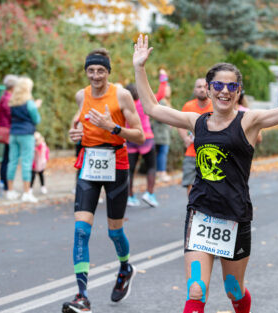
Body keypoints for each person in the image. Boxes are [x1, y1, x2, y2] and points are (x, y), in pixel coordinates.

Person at [133, 34, 278, 313]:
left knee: (234, 289)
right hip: (200, 213)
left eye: (231, 86)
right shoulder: (195, 121)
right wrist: (139, 68)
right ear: (208, 90)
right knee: (196, 290)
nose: (224, 91)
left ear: (238, 91)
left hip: (235, 216)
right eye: (218, 85)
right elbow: (151, 107)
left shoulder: (249, 121)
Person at [64, 48, 145, 313]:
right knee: (81, 230)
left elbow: (140, 136)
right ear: (86, 72)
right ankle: (82, 296)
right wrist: (74, 132)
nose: (96, 75)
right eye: (91, 70)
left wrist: (113, 127)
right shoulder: (81, 95)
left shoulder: (121, 95)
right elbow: (76, 122)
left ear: (108, 72)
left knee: (114, 231)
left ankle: (125, 268)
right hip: (89, 163)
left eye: (101, 70)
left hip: (117, 163)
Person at [5, 76, 42, 203]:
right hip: (26, 134)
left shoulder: (12, 102)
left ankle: (10, 191)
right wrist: (36, 107)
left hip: (13, 133)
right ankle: (26, 193)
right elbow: (36, 119)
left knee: (12, 162)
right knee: (26, 162)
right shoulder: (29, 103)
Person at [125, 82, 159, 207]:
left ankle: (129, 196)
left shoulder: (125, 106)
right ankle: (149, 194)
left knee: (130, 170)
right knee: (151, 167)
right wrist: (163, 77)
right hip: (146, 138)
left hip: (130, 138)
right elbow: (160, 94)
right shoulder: (143, 103)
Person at [177, 78, 213, 197]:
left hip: (211, 153)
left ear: (208, 89)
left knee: (211, 186)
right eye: (199, 87)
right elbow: (179, 124)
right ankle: (192, 211)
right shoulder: (188, 106)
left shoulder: (215, 106)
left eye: (204, 86)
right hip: (192, 152)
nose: (202, 89)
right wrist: (185, 138)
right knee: (191, 185)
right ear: (194, 90)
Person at [0, 74, 18, 192]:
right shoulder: (7, 99)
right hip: (9, 131)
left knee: (7, 157)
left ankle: (3, 182)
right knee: (9, 158)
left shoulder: (5, 97)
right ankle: (5, 183)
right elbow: (11, 114)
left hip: (8, 130)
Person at [153, 70, 172, 182]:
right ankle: (161, 172)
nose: (168, 91)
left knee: (161, 153)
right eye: (166, 89)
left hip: (164, 133)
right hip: (160, 134)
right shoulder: (162, 102)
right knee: (162, 153)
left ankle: (159, 172)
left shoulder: (166, 102)